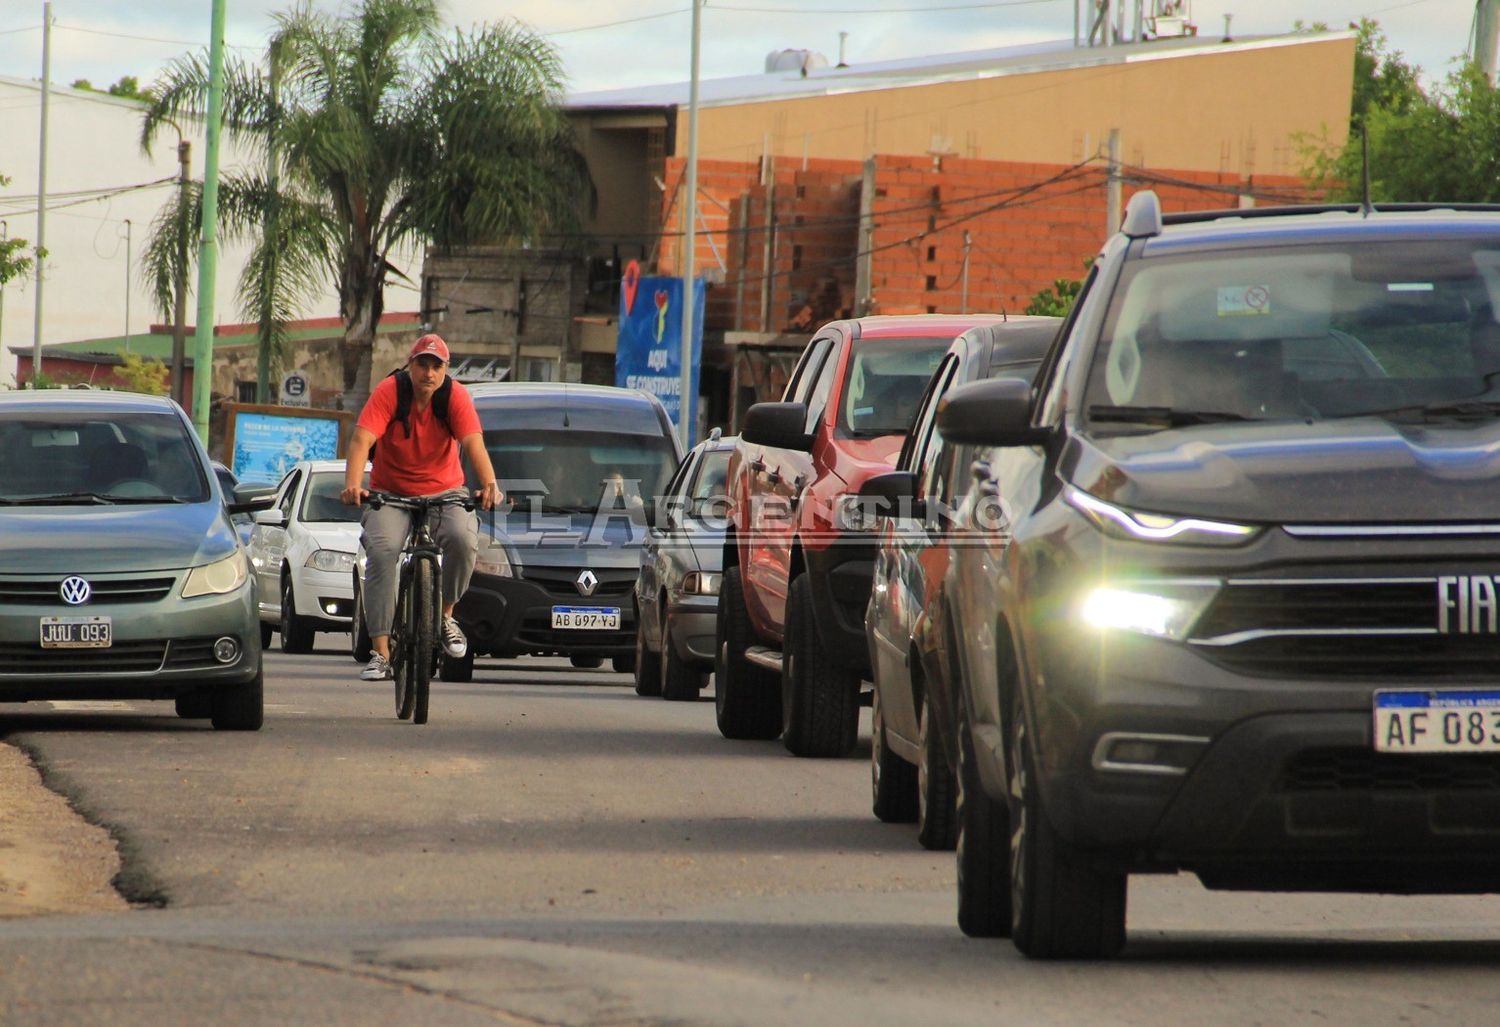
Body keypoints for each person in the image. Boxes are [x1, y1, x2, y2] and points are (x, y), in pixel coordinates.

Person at [341, 334, 502, 682]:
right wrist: (353, 483)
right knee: (382, 552)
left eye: (437, 366)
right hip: (391, 492)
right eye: (423, 364)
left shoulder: (454, 396)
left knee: (463, 538)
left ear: (445, 370)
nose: (429, 373)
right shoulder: (390, 392)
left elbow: (474, 443)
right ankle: (381, 651)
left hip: (445, 491)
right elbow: (361, 439)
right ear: (410, 365)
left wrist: (489, 484)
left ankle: (445, 616)